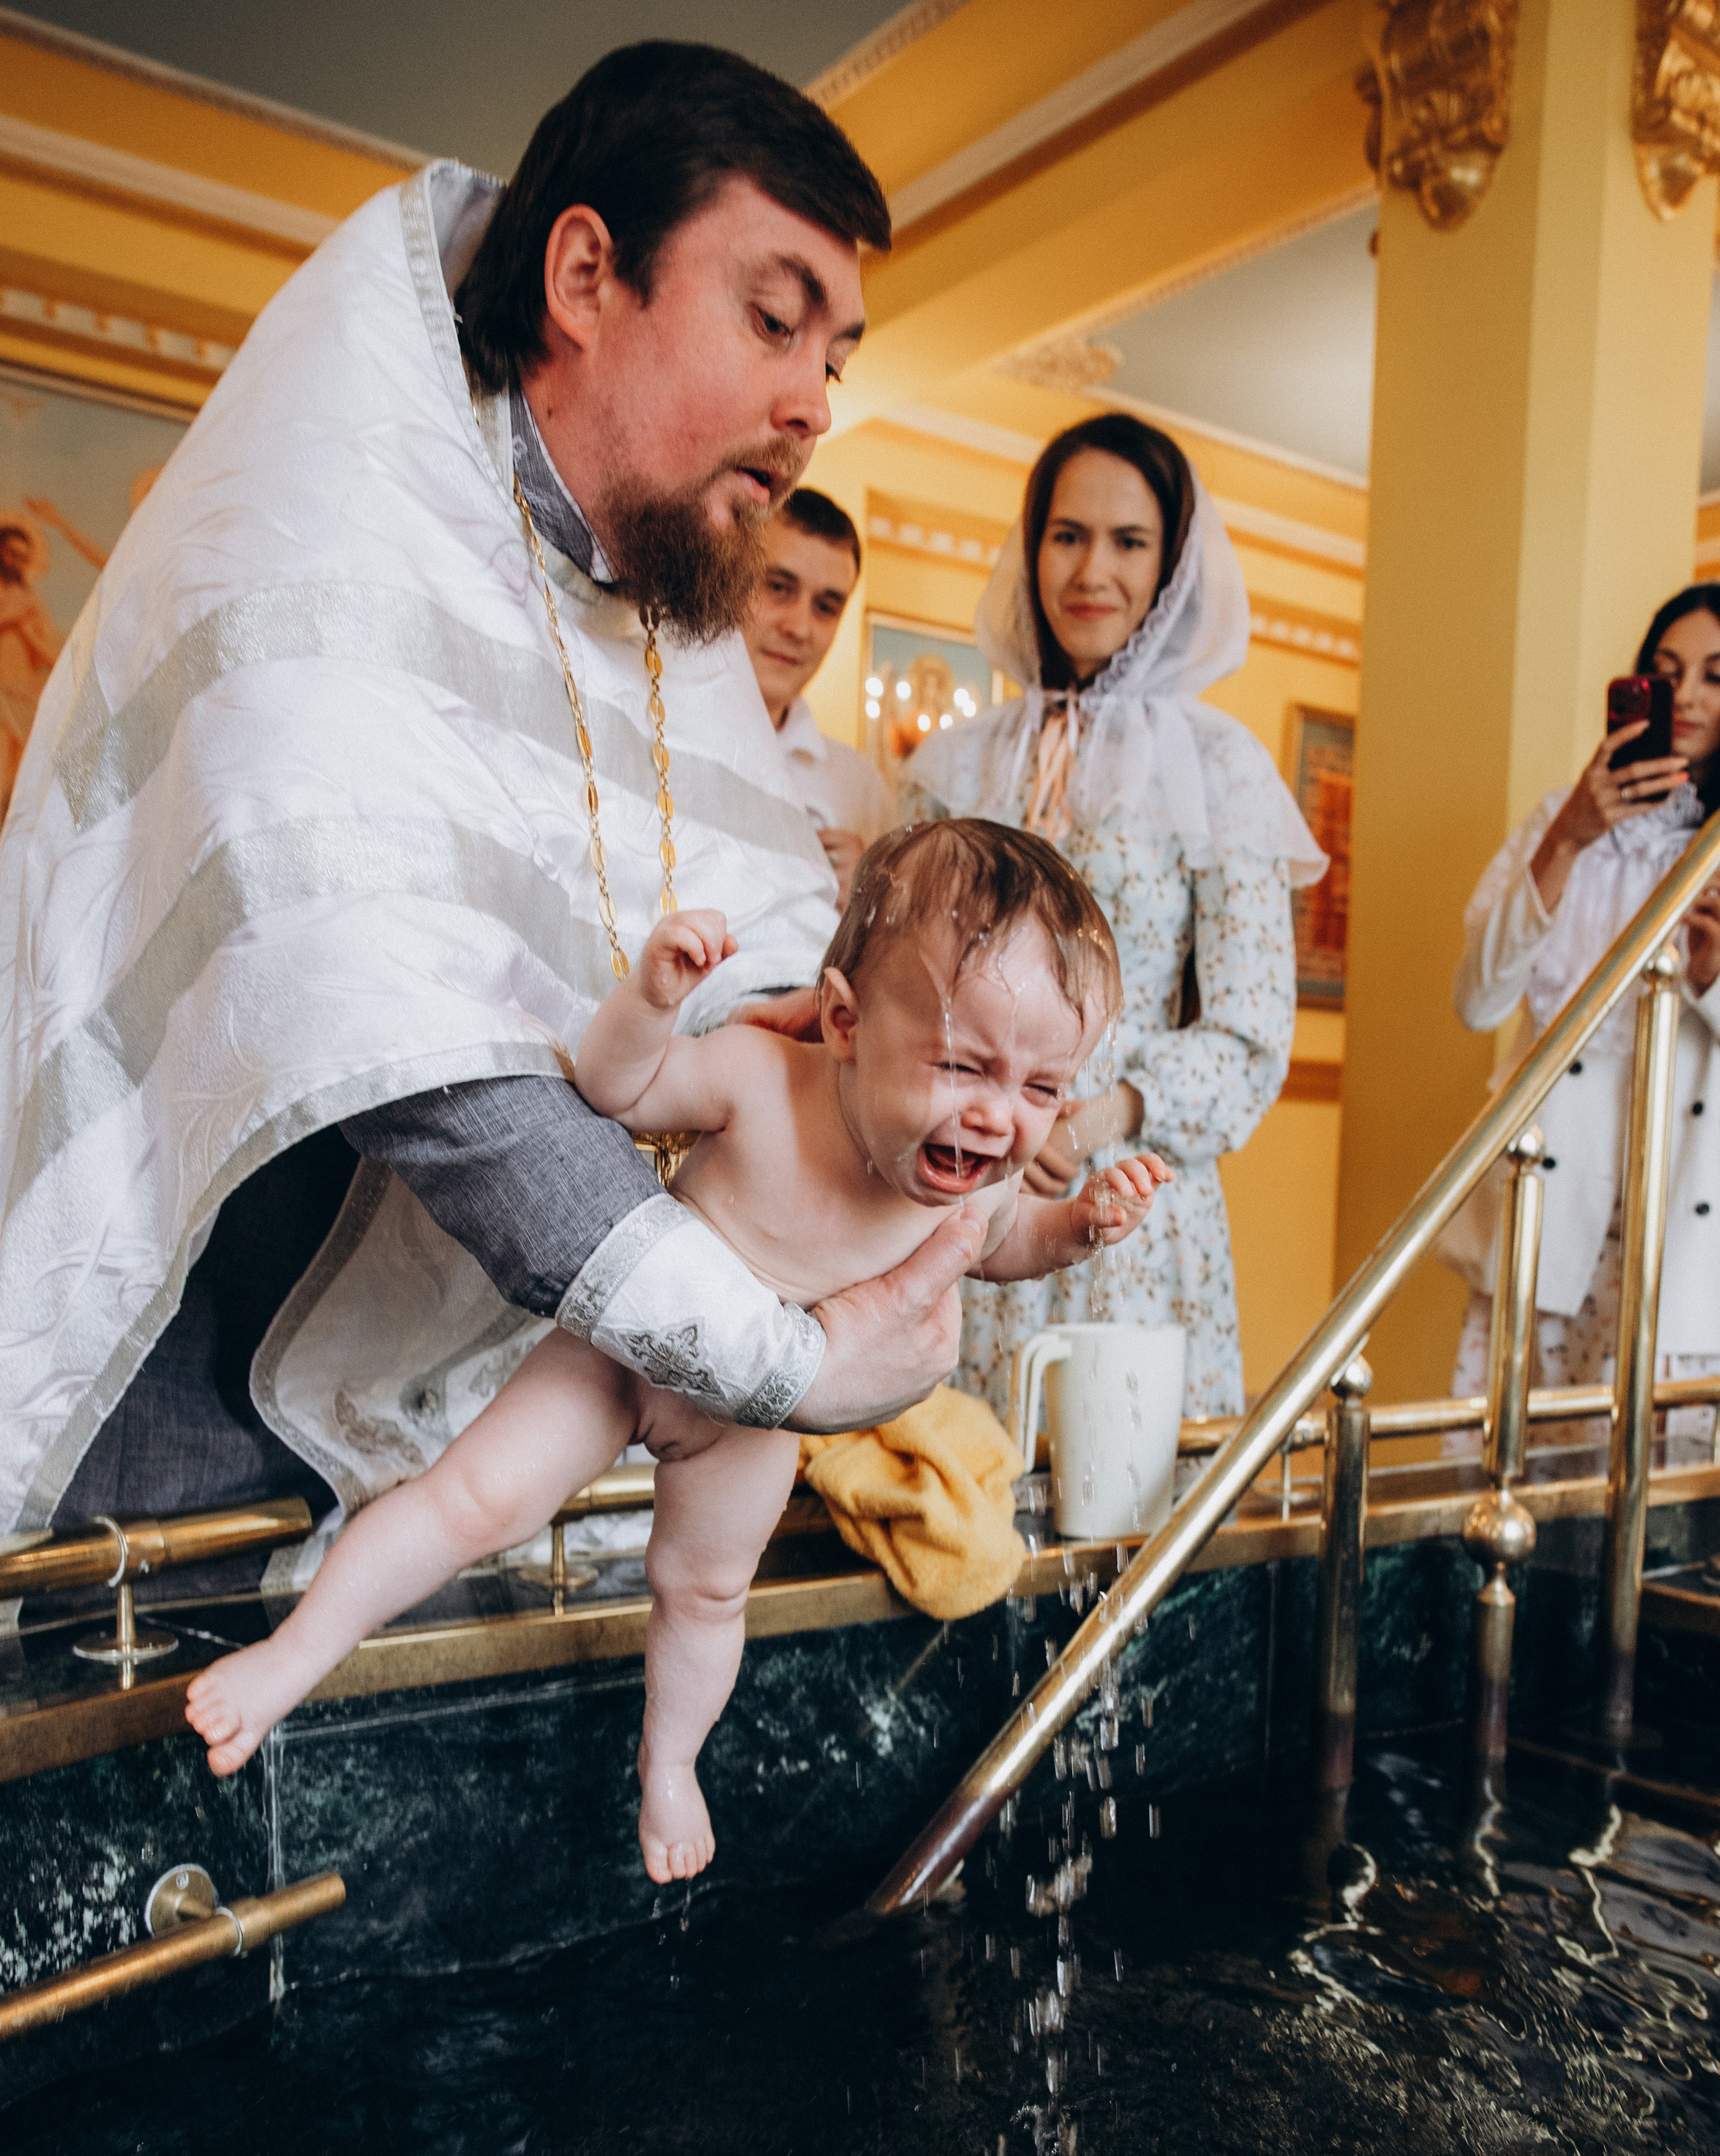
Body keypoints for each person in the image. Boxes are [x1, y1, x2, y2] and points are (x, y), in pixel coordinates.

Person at [0, 44, 986, 1553]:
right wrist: (781, 1359)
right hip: (172, 1450)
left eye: (833, 360)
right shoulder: (327, 517)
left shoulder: (659, 595)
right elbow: (429, 1056)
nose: (811, 408)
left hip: (448, 1456)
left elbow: (771, 973)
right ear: (584, 276)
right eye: (774, 321)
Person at [187, 821, 1166, 1878]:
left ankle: (670, 1765)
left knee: (703, 1595)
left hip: (754, 1424)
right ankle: (291, 1660)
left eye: (1041, 1089)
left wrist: (1078, 1229)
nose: (996, 1118)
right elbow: (616, 1092)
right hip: (623, 1356)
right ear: (843, 1019)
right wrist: (648, 1004)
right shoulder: (760, 1076)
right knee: (467, 1501)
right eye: (963, 1063)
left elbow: (1010, 1244)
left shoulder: (976, 1182)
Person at [898, 413, 1326, 1418]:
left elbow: (1253, 1038)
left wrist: (1093, 1118)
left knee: (1118, 1519)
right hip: (949, 1185)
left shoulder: (1220, 767)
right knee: (944, 1513)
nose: (1094, 569)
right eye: (1068, 534)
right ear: (1032, 545)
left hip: (1129, 1205)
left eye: (1130, 542)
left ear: (1173, 565)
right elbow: (897, 990)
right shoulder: (954, 765)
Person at [1446, 584, 1720, 1432]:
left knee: (1643, 1493)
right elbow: (1477, 997)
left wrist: (1711, 979)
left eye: (1717, 675)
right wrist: (1566, 836)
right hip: (1549, 1211)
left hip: (1680, 1216)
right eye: (1668, 673)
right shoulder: (1563, 822)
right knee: (1503, 1478)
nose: (1692, 698)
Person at [741, 485, 895, 901]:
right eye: (777, 587)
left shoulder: (862, 789)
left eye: (825, 607)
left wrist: (869, 905)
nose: (800, 628)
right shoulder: (655, 726)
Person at [0, 511, 59, 827]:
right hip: (2, 682)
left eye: (21, 555)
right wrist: (11, 617)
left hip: (25, 685)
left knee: (24, 760)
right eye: (10, 552)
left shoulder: (28, 596)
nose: (15, 559)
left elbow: (43, 637)